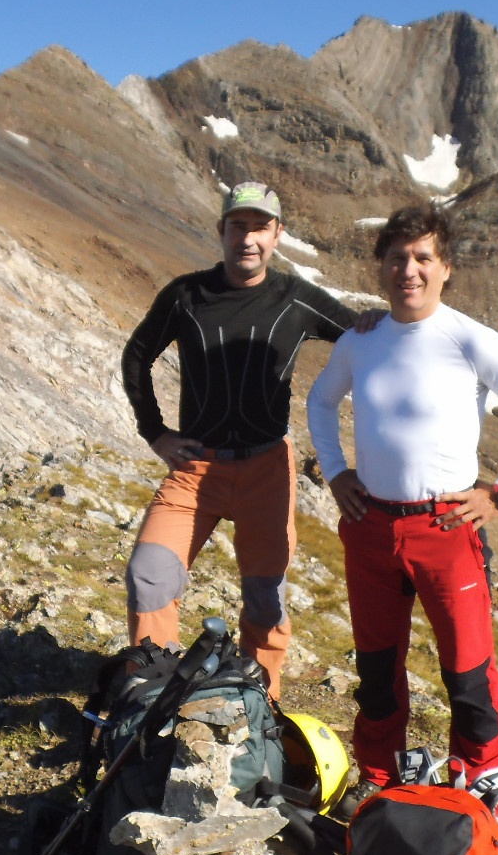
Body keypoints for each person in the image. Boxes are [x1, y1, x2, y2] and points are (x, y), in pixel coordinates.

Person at [307, 204, 498, 802]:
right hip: (370, 526)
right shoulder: (361, 340)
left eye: (423, 258)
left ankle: (481, 786)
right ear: (381, 267)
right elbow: (320, 402)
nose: (410, 269)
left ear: (445, 268)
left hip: (447, 528)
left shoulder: (469, 339)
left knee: (468, 672)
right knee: (377, 669)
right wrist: (335, 472)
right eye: (398, 257)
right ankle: (377, 778)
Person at [121, 181, 359, 699]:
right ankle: (148, 695)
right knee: (149, 575)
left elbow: (365, 336)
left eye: (259, 227)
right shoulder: (185, 295)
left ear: (276, 235)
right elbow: (136, 355)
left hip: (266, 471)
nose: (247, 239)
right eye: (237, 227)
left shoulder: (295, 298)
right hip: (195, 470)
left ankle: (260, 707)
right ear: (222, 231)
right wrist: (156, 433)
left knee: (264, 600)